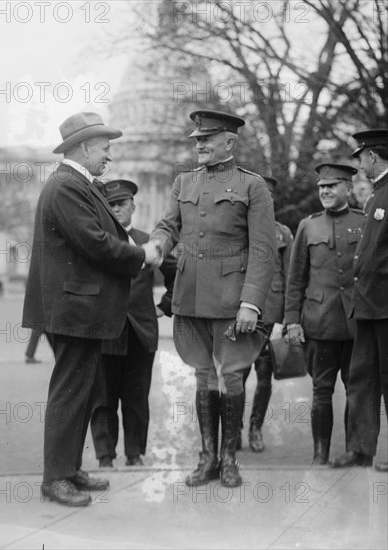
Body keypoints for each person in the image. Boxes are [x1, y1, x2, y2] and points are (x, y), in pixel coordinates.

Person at [22, 112, 160, 507]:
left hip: (79, 308)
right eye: (104, 147)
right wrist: (141, 254)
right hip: (72, 309)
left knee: (80, 392)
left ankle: (67, 469)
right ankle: (55, 479)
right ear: (83, 147)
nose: (109, 156)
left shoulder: (78, 184)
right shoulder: (67, 185)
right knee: (70, 392)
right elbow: (95, 243)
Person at [149, 110, 277, 487]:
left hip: (232, 301)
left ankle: (229, 459)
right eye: (197, 139)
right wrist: (157, 244)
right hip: (189, 297)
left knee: (232, 376)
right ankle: (207, 458)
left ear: (230, 142)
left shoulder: (253, 187)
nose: (199, 144)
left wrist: (251, 302)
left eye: (207, 138)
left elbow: (263, 250)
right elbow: (168, 225)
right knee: (202, 376)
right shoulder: (183, 182)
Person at [90, 179, 176, 467]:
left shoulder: (148, 242)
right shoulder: (97, 241)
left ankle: (134, 454)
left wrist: (165, 305)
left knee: (136, 398)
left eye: (121, 204)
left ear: (133, 207)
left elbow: (175, 271)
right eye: (110, 205)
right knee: (103, 399)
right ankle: (105, 456)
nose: (116, 210)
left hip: (141, 332)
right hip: (104, 333)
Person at [285, 163, 365, 465]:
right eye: (322, 187)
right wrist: (292, 320)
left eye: (333, 186)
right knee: (321, 391)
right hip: (319, 322)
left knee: (356, 390)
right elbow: (296, 278)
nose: (326, 191)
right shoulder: (308, 225)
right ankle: (320, 453)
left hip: (358, 324)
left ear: (348, 188)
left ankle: (353, 451)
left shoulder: (365, 221)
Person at [331, 129, 388, 472]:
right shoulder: (378, 194)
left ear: (372, 157)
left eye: (362, 156)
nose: (360, 163)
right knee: (363, 377)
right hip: (368, 304)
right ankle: (360, 449)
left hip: (385, 304)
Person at [240, 176, 293, 452]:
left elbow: (290, 279)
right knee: (235, 377)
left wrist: (284, 320)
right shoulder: (239, 231)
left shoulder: (282, 234)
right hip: (240, 316)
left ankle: (255, 429)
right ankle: (233, 430)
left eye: (269, 198)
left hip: (270, 317)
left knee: (264, 376)